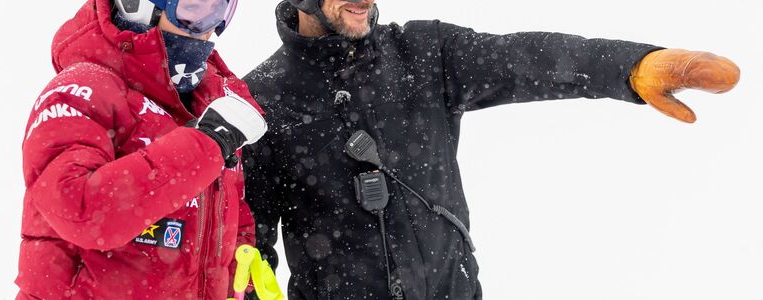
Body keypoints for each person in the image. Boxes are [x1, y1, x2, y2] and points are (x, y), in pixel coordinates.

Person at [241, 0, 741, 299]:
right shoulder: (261, 100)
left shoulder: (421, 53)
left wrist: (631, 67)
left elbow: (524, 57)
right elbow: (246, 247)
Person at [16, 0, 268, 298]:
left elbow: (228, 210)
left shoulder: (204, 97)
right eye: (194, 9)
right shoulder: (78, 92)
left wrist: (239, 276)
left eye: (219, 11)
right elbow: (83, 210)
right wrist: (206, 145)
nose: (207, 29)